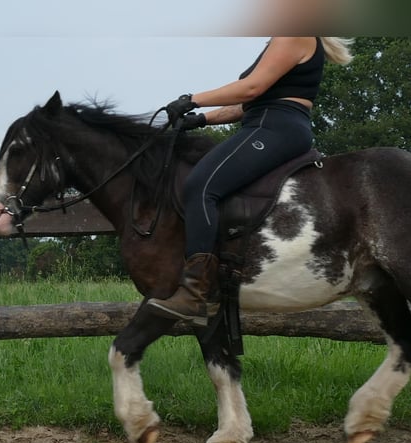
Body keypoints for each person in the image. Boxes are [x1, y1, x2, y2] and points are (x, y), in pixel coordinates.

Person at [146, 37, 353, 326]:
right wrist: (201, 119)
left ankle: (196, 293)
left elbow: (251, 87)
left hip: (275, 126)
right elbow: (248, 104)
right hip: (265, 122)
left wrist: (192, 99)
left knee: (201, 186)